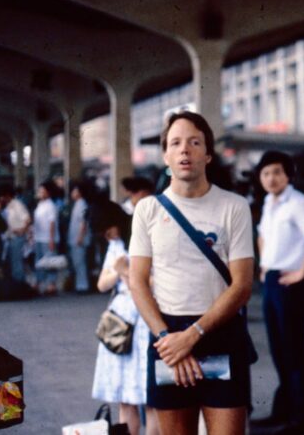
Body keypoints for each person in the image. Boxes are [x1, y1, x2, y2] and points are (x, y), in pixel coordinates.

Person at [128, 111, 255, 435]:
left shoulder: (234, 206)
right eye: (176, 143)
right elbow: (138, 281)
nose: (185, 150)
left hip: (220, 332)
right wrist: (167, 338)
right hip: (166, 336)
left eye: (194, 142)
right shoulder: (148, 210)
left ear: (208, 154)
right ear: (166, 155)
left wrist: (193, 335)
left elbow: (241, 285)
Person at [254, 150, 304, 435]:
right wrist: (263, 265)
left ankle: (303, 418)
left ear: (288, 175)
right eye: (266, 173)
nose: (271, 178)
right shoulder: (270, 203)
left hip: (291, 282)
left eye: (277, 172)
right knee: (279, 350)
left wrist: (303, 270)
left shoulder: (298, 202)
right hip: (272, 280)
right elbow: (261, 236)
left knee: (295, 351)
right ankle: (283, 412)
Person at [91, 201, 159, 435]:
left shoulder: (142, 238)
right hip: (121, 318)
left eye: (108, 230)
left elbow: (152, 284)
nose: (107, 236)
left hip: (144, 316)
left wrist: (125, 272)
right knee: (124, 396)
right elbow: (101, 284)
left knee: (149, 395)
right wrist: (120, 272)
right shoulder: (115, 244)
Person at [0, 186, 31, 283]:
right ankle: (14, 283)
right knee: (11, 261)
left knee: (17, 262)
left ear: (7, 195)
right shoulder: (8, 206)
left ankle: (20, 283)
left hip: (17, 237)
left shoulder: (17, 205)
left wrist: (22, 230)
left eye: (2, 196)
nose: (0, 199)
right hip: (9, 237)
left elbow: (27, 219)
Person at [33, 180, 61, 295]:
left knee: (50, 262)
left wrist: (51, 239)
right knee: (39, 262)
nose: (40, 193)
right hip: (39, 237)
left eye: (42, 191)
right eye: (39, 191)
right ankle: (39, 283)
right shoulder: (40, 204)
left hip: (48, 238)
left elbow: (52, 223)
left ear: (48, 193)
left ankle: (51, 285)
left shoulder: (51, 205)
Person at [68, 182, 91, 292]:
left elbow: (83, 222)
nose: (72, 193)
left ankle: (82, 286)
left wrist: (81, 236)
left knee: (80, 262)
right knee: (77, 262)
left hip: (78, 239)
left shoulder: (82, 204)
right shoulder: (77, 204)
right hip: (75, 238)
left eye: (74, 191)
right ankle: (79, 284)